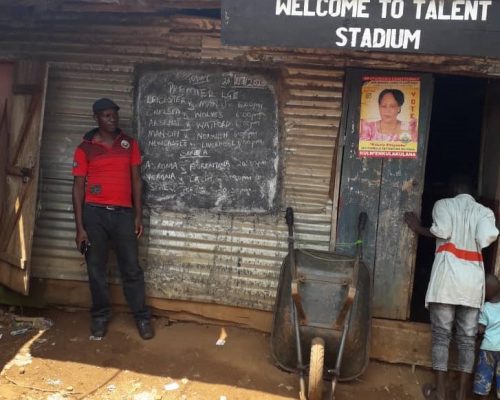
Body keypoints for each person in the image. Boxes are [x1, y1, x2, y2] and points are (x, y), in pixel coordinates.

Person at [404, 176, 499, 400]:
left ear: (453, 189)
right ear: (473, 195)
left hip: (446, 282)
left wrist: (418, 228)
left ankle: (440, 392)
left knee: (441, 337)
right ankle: (462, 395)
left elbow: (442, 230)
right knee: (467, 340)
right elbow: (487, 236)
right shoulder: (484, 212)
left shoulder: (443, 205)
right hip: (472, 284)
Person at [72, 98, 154, 340]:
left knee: (131, 268)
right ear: (96, 118)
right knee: (96, 269)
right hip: (94, 214)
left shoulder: (129, 144)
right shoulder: (85, 148)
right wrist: (80, 228)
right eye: (106, 116)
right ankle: (99, 317)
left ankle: (142, 317)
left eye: (114, 115)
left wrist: (138, 215)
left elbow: (137, 181)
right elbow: (77, 188)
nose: (112, 119)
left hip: (123, 215)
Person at [473, 274, 500, 399]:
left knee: (484, 376)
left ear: (487, 292)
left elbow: (480, 330)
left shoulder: (486, 308)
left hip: (488, 349)